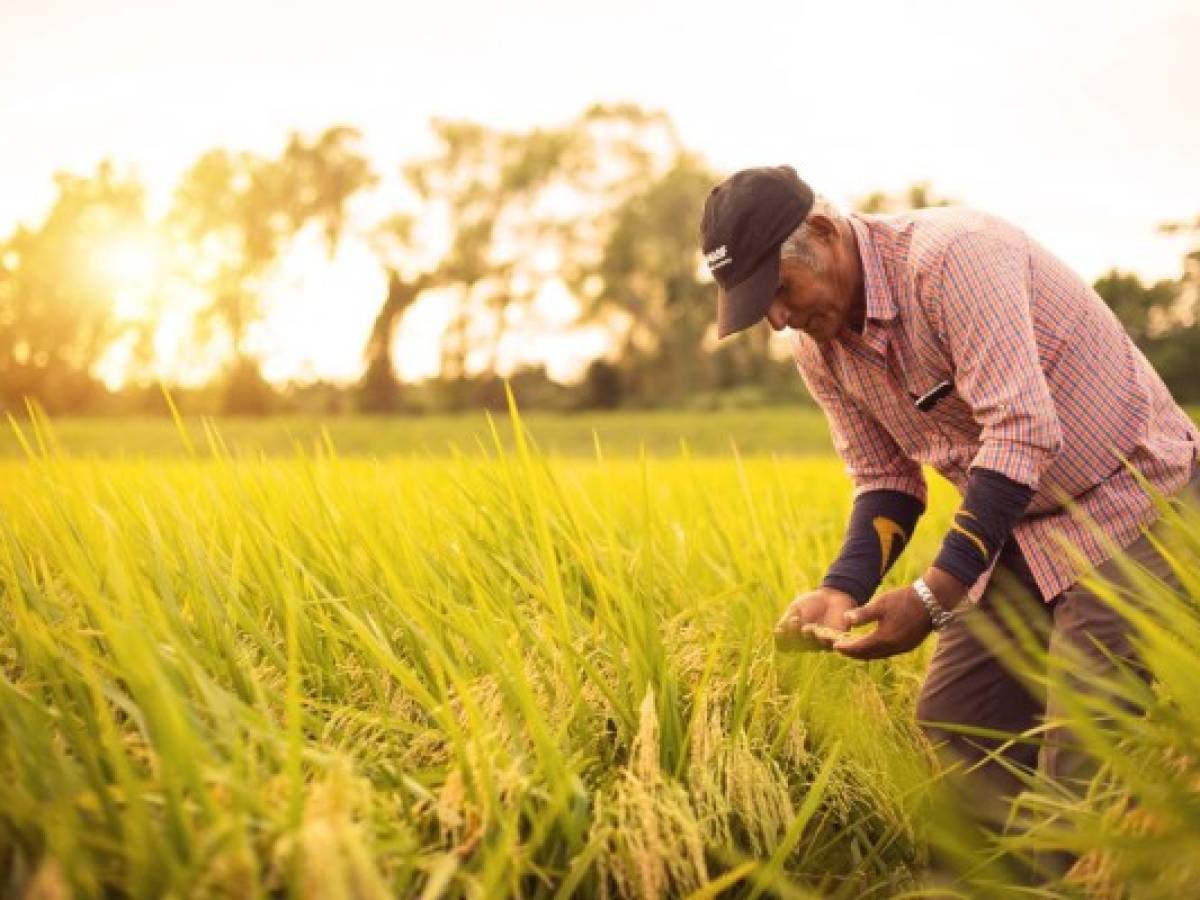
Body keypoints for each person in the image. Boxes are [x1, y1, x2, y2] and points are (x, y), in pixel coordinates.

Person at [699, 165, 1200, 879]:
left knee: (1080, 739)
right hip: (1023, 528)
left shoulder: (953, 260)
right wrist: (843, 588)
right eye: (760, 308)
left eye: (779, 290)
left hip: (1133, 502)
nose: (778, 320)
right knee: (959, 719)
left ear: (822, 232)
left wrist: (934, 595)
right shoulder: (820, 347)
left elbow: (1024, 431)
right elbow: (886, 481)